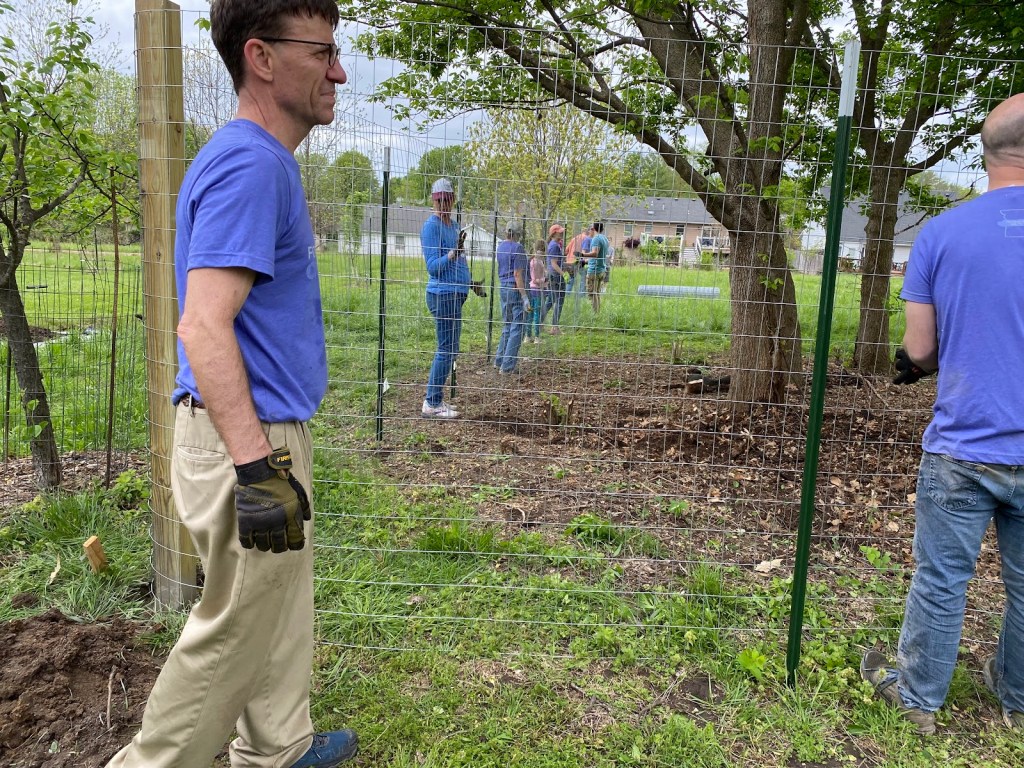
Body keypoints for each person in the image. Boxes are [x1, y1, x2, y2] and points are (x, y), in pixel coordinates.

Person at [105, 2, 357, 767]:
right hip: (244, 439)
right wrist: (257, 468)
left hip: (256, 430)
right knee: (231, 634)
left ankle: (278, 749)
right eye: (323, 52)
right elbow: (203, 325)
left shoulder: (261, 159)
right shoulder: (251, 165)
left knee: (276, 604)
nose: (339, 71)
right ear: (262, 57)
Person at [860, 93, 1024, 736]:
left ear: (987, 154)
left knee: (942, 580)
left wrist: (923, 361)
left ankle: (919, 700)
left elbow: (922, 350)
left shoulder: (942, 234)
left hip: (963, 444)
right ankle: (1016, 697)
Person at [421, 177, 484, 419]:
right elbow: (433, 267)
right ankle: (432, 402)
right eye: (439, 200)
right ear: (433, 201)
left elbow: (460, 261)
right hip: (442, 294)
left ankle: (436, 398)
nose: (443, 204)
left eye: (447, 200)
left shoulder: (455, 226)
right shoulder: (431, 227)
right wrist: (452, 254)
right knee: (446, 349)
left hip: (456, 294)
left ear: (453, 200)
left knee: (451, 349)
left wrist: (470, 283)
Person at [493, 221, 531, 373]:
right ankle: (507, 366)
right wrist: (524, 296)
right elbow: (517, 274)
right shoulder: (518, 248)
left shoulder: (500, 247)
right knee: (517, 327)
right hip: (515, 289)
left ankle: (499, 360)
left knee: (507, 325)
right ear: (518, 234)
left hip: (503, 288)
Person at [541, 224, 566, 333]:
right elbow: (554, 264)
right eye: (560, 232)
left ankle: (539, 322)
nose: (562, 233)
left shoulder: (553, 244)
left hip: (552, 275)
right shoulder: (554, 246)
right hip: (556, 277)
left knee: (551, 300)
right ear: (554, 234)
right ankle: (554, 327)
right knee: (559, 301)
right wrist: (564, 274)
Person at [583, 222, 610, 314]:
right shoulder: (604, 238)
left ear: (593, 229)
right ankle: (597, 313)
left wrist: (582, 254)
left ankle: (594, 314)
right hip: (601, 269)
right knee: (596, 293)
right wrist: (585, 261)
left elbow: (595, 253)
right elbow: (600, 255)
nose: (589, 230)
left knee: (592, 294)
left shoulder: (596, 239)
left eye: (590, 228)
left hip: (594, 271)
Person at [527, 238, 547, 343]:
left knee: (530, 312)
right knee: (536, 313)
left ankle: (528, 335)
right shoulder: (536, 261)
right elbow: (535, 279)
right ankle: (537, 337)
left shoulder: (535, 260)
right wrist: (545, 279)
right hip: (536, 289)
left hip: (532, 288)